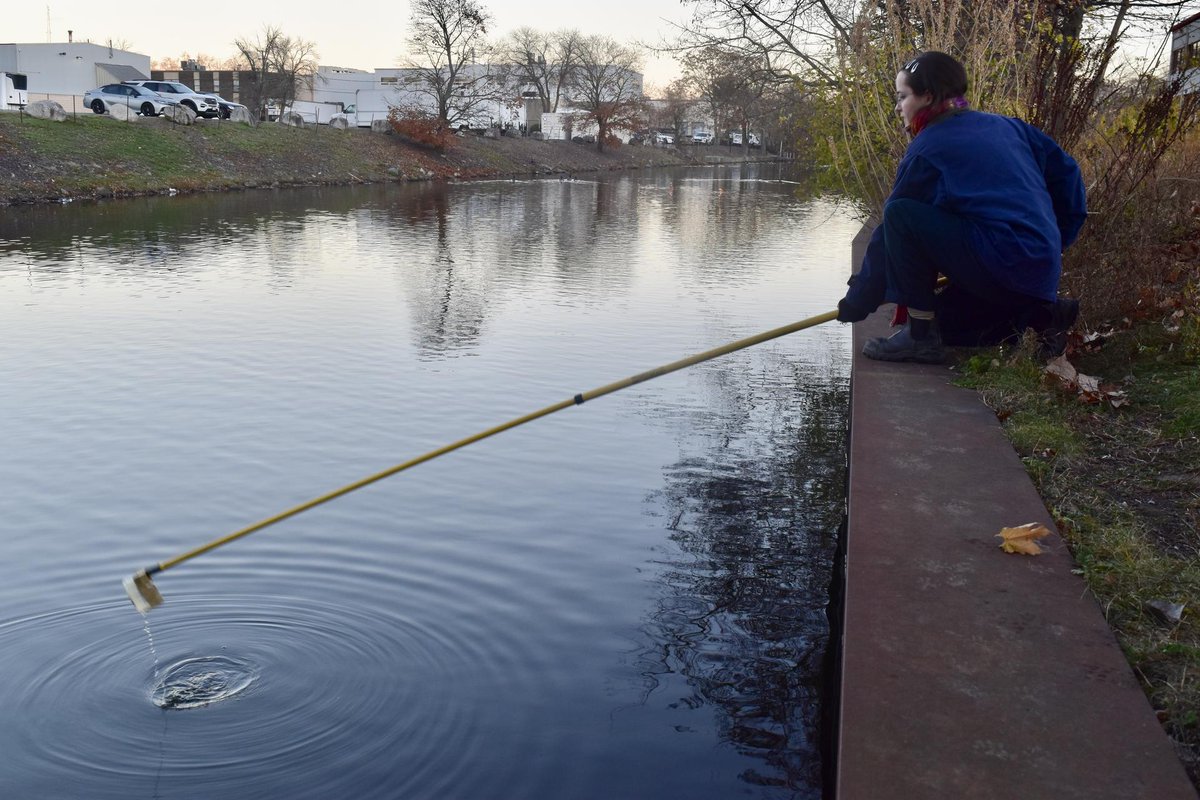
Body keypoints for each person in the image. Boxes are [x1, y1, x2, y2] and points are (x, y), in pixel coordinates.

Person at [836, 51, 1088, 363]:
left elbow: (893, 226)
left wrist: (858, 301)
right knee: (951, 322)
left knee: (900, 214)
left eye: (902, 97)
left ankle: (919, 336)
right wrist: (1054, 241)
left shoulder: (928, 147)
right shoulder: (1009, 126)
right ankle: (1045, 315)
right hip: (1036, 269)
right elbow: (1069, 175)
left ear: (927, 96)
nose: (898, 107)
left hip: (1002, 266)